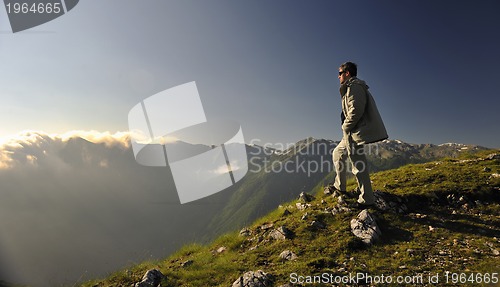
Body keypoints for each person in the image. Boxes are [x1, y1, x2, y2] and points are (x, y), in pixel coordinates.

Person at [332, 62, 388, 207]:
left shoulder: (354, 87)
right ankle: (340, 187)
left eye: (340, 73)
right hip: (350, 132)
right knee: (337, 154)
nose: (338, 76)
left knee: (358, 165)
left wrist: (346, 126)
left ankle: (367, 199)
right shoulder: (349, 87)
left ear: (347, 73)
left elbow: (356, 110)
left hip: (354, 131)